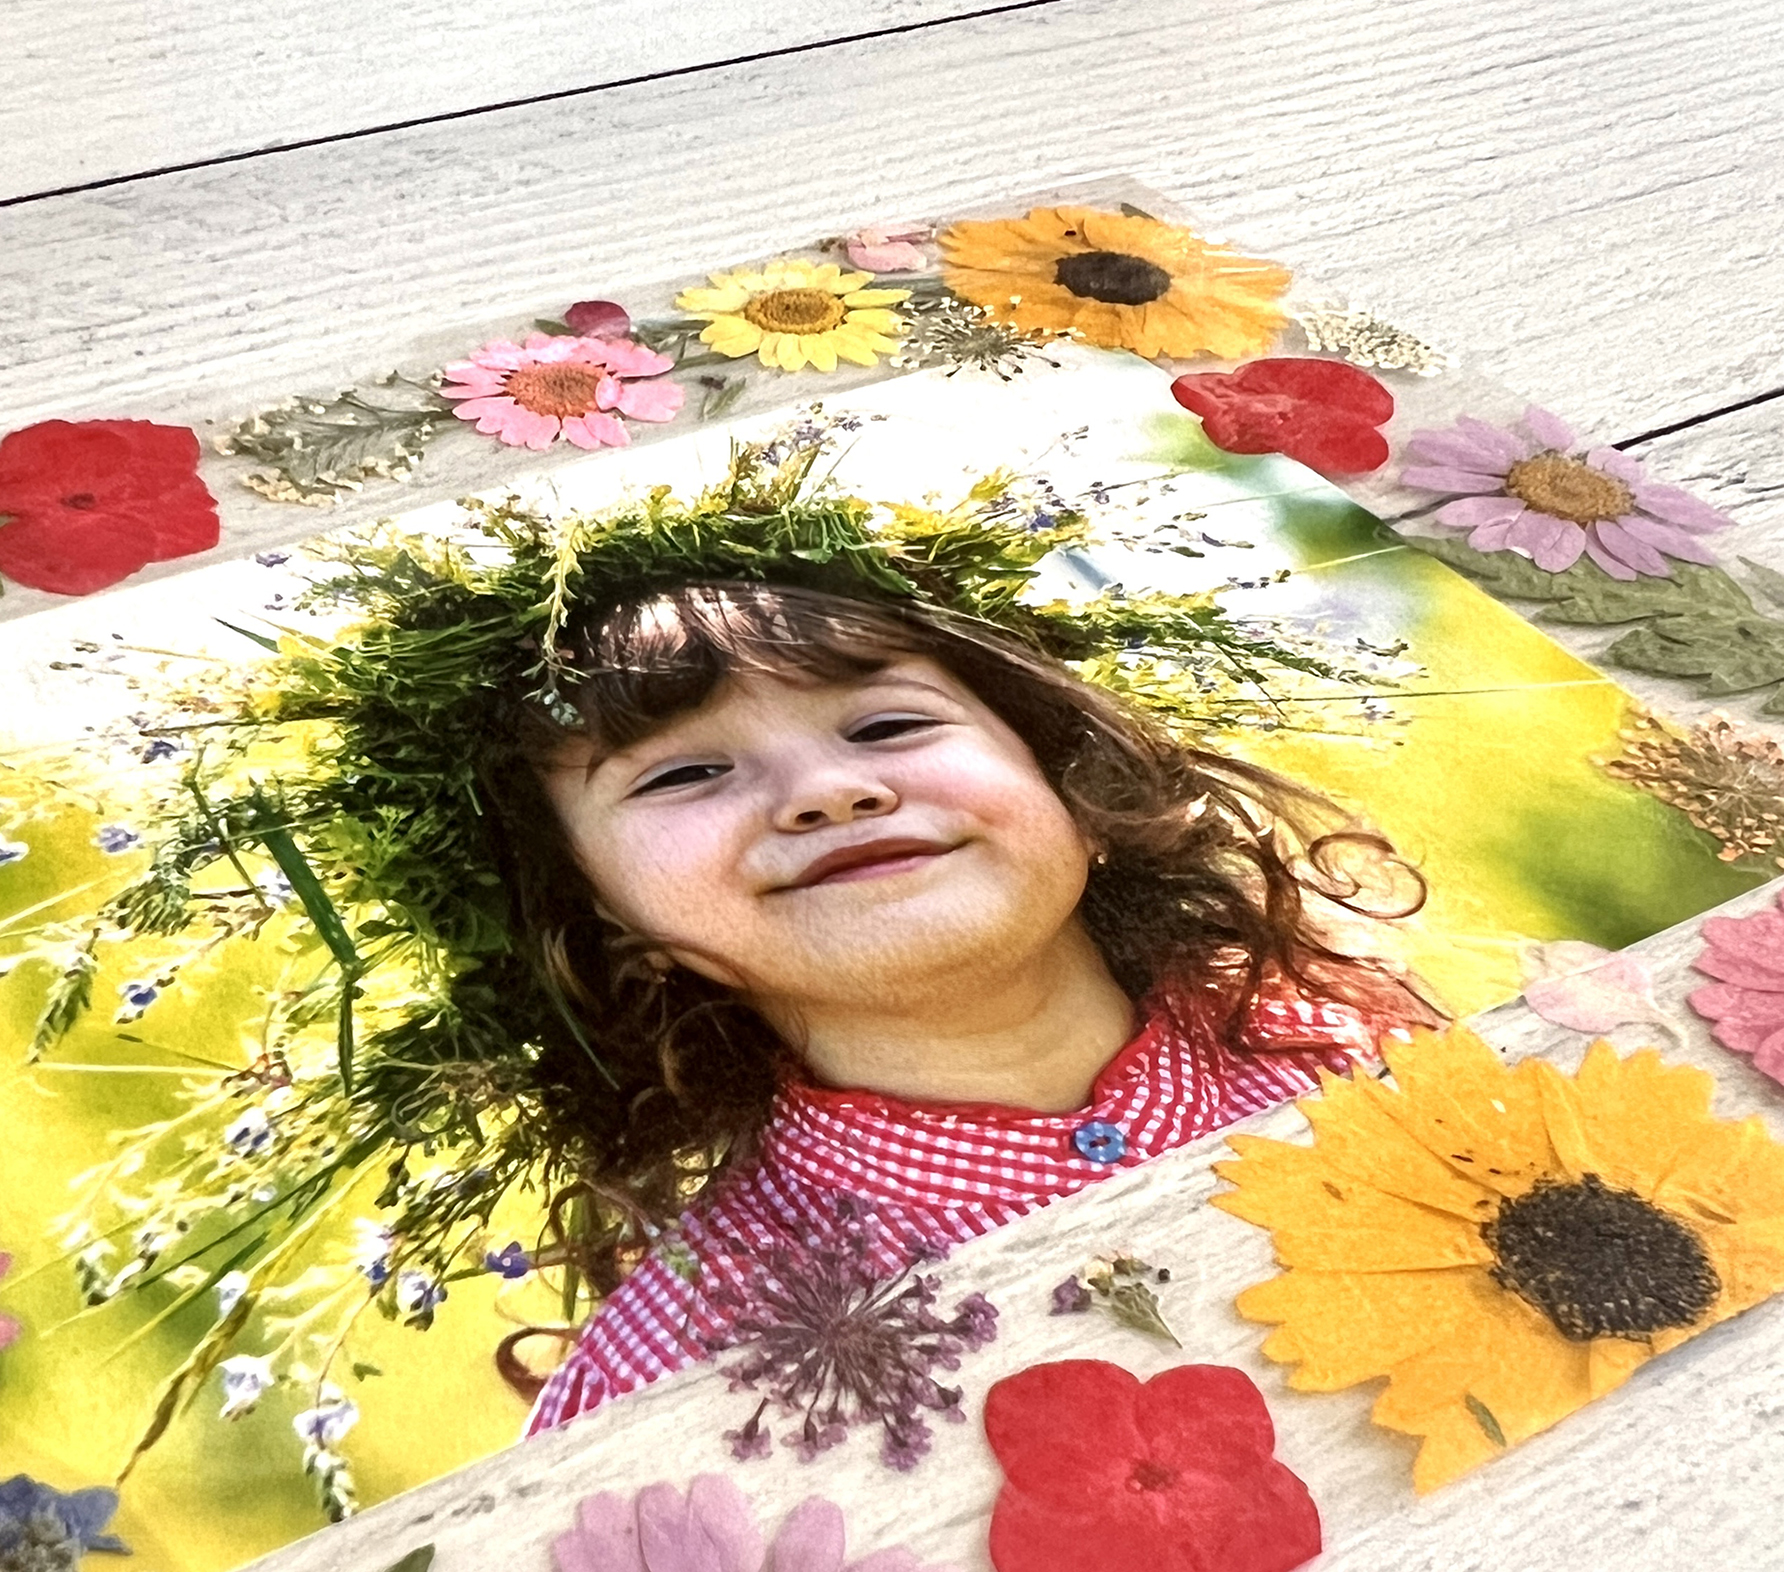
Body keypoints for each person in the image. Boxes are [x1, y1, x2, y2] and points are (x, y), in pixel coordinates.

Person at [479, 581, 1437, 1433]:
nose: (829, 792)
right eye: (684, 774)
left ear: (1071, 780)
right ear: (607, 919)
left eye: (887, 726)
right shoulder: (671, 1366)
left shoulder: (1375, 1044)